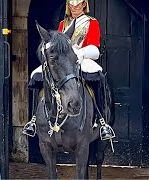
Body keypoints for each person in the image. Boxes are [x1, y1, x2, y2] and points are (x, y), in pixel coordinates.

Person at [23, 0, 115, 141]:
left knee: (98, 75)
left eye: (77, 4)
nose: (74, 7)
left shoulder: (91, 22)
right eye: (72, 5)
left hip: (82, 56)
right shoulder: (62, 24)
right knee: (37, 76)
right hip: (64, 60)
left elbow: (94, 46)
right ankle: (34, 120)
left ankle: (102, 121)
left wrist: (80, 52)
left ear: (84, 5)